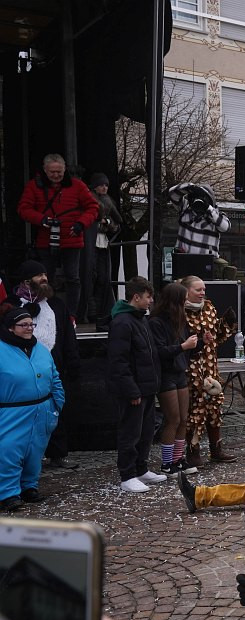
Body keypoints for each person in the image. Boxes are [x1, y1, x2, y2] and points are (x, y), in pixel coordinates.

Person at [12, 260, 80, 470]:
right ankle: (24, 457)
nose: (45, 278)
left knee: (55, 411)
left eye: (45, 274)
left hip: (53, 367)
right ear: (26, 280)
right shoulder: (12, 304)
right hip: (21, 369)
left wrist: (73, 362)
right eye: (39, 275)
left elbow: (68, 336)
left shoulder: (57, 304)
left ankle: (58, 453)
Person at [17, 153, 99, 318]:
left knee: (73, 278)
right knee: (44, 279)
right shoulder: (35, 186)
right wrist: (41, 219)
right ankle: (45, 313)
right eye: (52, 172)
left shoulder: (78, 186)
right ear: (45, 171)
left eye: (59, 172)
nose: (56, 175)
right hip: (45, 240)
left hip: (72, 239)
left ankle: (71, 316)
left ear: (65, 170)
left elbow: (93, 207)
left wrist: (81, 224)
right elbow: (23, 209)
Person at [0, 307, 64, 511]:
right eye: (24, 325)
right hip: (11, 411)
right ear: (11, 328)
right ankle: (8, 493)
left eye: (31, 324)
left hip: (42, 409)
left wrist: (57, 404)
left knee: (35, 452)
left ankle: (29, 487)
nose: (29, 328)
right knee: (9, 451)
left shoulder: (40, 349)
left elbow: (54, 377)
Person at [107, 277, 166, 494]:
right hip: (134, 389)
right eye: (148, 296)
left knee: (146, 431)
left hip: (147, 387)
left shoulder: (140, 320)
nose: (151, 301)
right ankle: (127, 475)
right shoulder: (122, 323)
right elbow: (119, 361)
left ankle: (141, 469)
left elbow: (149, 355)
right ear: (136, 297)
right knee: (130, 432)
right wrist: (131, 389)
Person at [181, 275, 238, 464]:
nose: (202, 292)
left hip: (211, 367)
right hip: (192, 369)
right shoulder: (179, 312)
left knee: (215, 407)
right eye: (198, 290)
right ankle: (193, 452)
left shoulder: (209, 308)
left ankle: (216, 450)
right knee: (195, 409)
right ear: (186, 291)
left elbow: (216, 337)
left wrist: (226, 324)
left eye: (204, 289)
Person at [149, 282, 199, 478]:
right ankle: (167, 463)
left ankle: (178, 459)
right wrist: (184, 347)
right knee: (173, 419)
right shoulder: (156, 322)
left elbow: (185, 347)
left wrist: (201, 343)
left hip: (179, 372)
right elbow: (160, 351)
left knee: (183, 419)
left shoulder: (180, 320)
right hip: (166, 375)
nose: (187, 302)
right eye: (184, 299)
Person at [84, 172, 122, 328]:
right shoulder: (88, 199)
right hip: (88, 243)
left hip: (102, 243)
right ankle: (90, 312)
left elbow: (116, 224)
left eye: (106, 185)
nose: (104, 187)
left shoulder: (108, 200)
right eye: (101, 185)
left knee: (103, 278)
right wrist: (103, 223)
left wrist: (106, 223)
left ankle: (100, 312)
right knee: (89, 277)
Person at [167, 182, 231, 256]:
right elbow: (172, 193)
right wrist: (191, 187)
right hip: (182, 261)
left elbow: (226, 227)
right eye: (195, 197)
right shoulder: (185, 208)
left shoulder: (215, 216)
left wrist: (207, 207)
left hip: (205, 263)